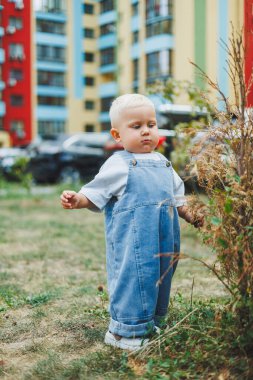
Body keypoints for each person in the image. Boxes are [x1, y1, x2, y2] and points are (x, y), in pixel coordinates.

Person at [60, 94, 204, 351]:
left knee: (161, 277)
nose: (146, 131)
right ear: (118, 135)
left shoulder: (163, 163)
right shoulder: (118, 165)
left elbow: (178, 198)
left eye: (151, 124)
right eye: (136, 127)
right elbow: (96, 193)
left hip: (165, 237)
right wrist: (78, 199)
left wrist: (193, 216)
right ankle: (123, 331)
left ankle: (150, 323)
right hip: (134, 240)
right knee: (134, 278)